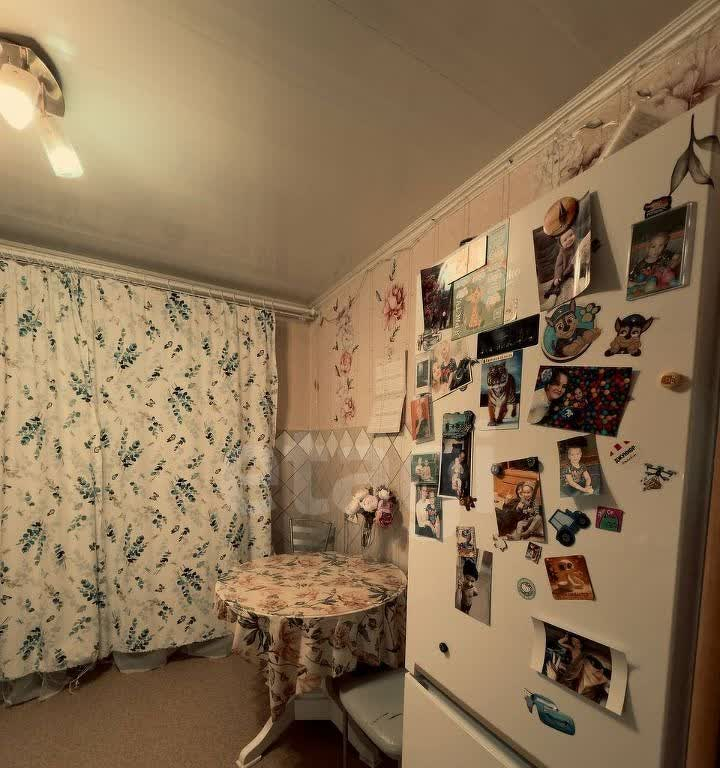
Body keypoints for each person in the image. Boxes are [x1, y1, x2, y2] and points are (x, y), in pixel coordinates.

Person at [544, 227, 577, 302]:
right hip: (565, 271)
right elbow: (558, 266)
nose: (569, 239)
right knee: (557, 282)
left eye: (571, 235)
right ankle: (552, 291)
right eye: (565, 240)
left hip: (574, 268)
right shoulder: (562, 253)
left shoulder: (577, 243)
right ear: (561, 244)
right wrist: (557, 276)